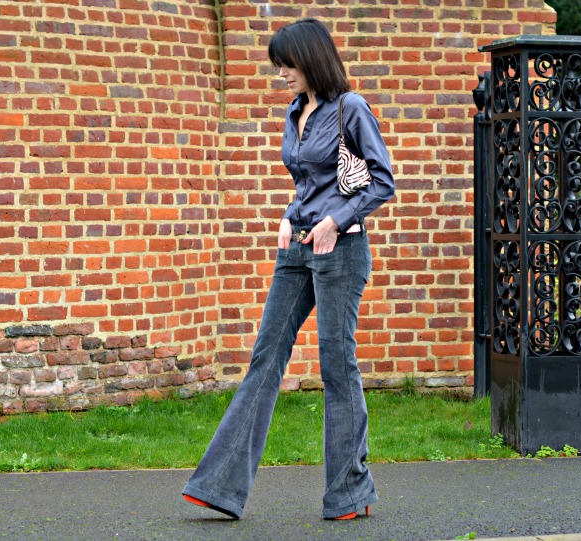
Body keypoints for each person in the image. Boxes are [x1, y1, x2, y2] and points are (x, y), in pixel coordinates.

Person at [182, 18, 396, 521]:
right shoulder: (295, 112)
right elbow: (308, 182)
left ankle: (350, 493)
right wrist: (289, 216)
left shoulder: (351, 109)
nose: (280, 73)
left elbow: (381, 182)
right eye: (277, 65)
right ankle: (219, 487)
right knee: (265, 358)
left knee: (336, 366)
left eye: (288, 64)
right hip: (296, 251)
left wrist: (335, 221)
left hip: (340, 253)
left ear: (312, 59)